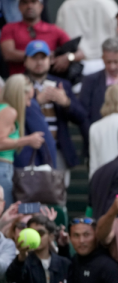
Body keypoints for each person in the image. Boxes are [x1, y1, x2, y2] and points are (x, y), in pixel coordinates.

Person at [24, 40, 89, 185]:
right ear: (25, 61)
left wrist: (66, 102)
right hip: (29, 149)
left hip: (59, 149)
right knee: (29, 196)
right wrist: (35, 102)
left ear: (50, 60)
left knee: (57, 197)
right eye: (34, 58)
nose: (39, 62)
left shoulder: (62, 84)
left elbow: (81, 117)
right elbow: (10, 114)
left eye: (43, 58)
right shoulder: (19, 83)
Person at [1, 0, 83, 76]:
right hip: (20, 82)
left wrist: (68, 57)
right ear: (19, 7)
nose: (29, 6)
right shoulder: (9, 28)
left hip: (49, 81)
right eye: (25, 2)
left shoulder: (54, 30)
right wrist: (42, 55)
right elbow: (8, 54)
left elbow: (80, 53)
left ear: (41, 6)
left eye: (33, 1)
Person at [55, 0, 118, 75]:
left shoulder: (66, 6)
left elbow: (59, 37)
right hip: (105, 63)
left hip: (77, 66)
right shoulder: (108, 4)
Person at [0, 73, 45, 202]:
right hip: (2, 167)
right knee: (6, 215)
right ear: (19, 95)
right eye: (27, 98)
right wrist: (27, 140)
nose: (29, 104)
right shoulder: (9, 111)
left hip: (5, 167)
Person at [80, 37, 118, 123]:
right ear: (102, 58)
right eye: (108, 62)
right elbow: (84, 115)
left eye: (116, 62)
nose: (112, 67)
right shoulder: (90, 81)